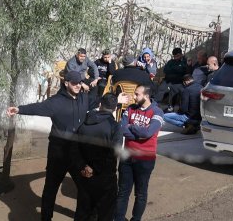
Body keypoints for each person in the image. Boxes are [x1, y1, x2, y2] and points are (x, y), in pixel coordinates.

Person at [7, 67, 96, 221]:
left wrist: (116, 99)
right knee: (50, 189)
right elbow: (37, 107)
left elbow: (98, 101)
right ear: (66, 83)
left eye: (80, 83)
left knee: (85, 187)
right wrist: (19, 109)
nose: (78, 85)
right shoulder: (56, 102)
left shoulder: (84, 98)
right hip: (58, 154)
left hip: (78, 154)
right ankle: (46, 218)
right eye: (74, 83)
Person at [69, 92, 126, 221]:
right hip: (105, 177)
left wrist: (83, 166)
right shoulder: (115, 126)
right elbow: (113, 153)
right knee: (105, 213)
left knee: (83, 210)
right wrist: (95, 168)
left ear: (100, 105)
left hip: (85, 175)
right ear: (115, 108)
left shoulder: (84, 121)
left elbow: (74, 147)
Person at [116, 84, 163, 221]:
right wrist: (138, 134)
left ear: (146, 96)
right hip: (127, 157)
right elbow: (121, 128)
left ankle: (135, 219)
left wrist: (131, 126)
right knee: (123, 192)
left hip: (145, 159)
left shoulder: (157, 112)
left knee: (140, 193)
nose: (134, 97)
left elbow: (148, 132)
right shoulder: (130, 108)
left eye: (137, 94)